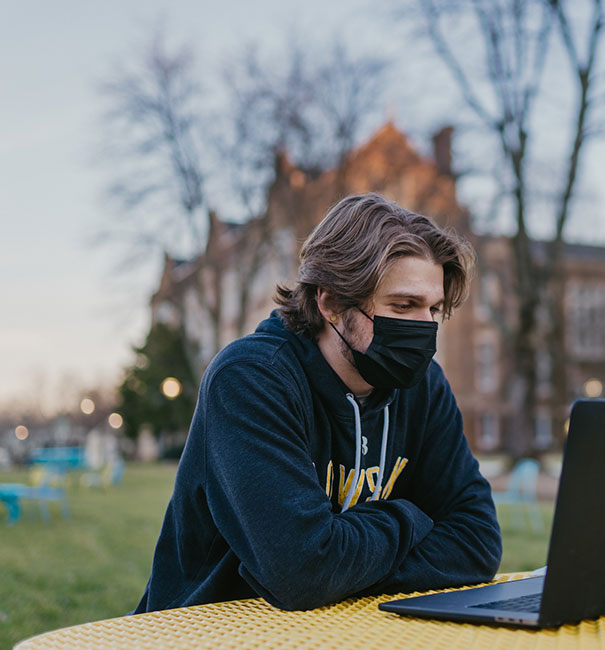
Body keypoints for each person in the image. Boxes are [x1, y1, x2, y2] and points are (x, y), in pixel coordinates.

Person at [134, 193, 502, 613]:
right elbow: (304, 571)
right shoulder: (251, 379)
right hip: (206, 631)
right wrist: (411, 518)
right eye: (404, 305)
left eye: (434, 309)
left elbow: (478, 543)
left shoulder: (424, 386)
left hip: (347, 630)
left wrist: (339, 560)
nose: (425, 328)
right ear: (330, 301)